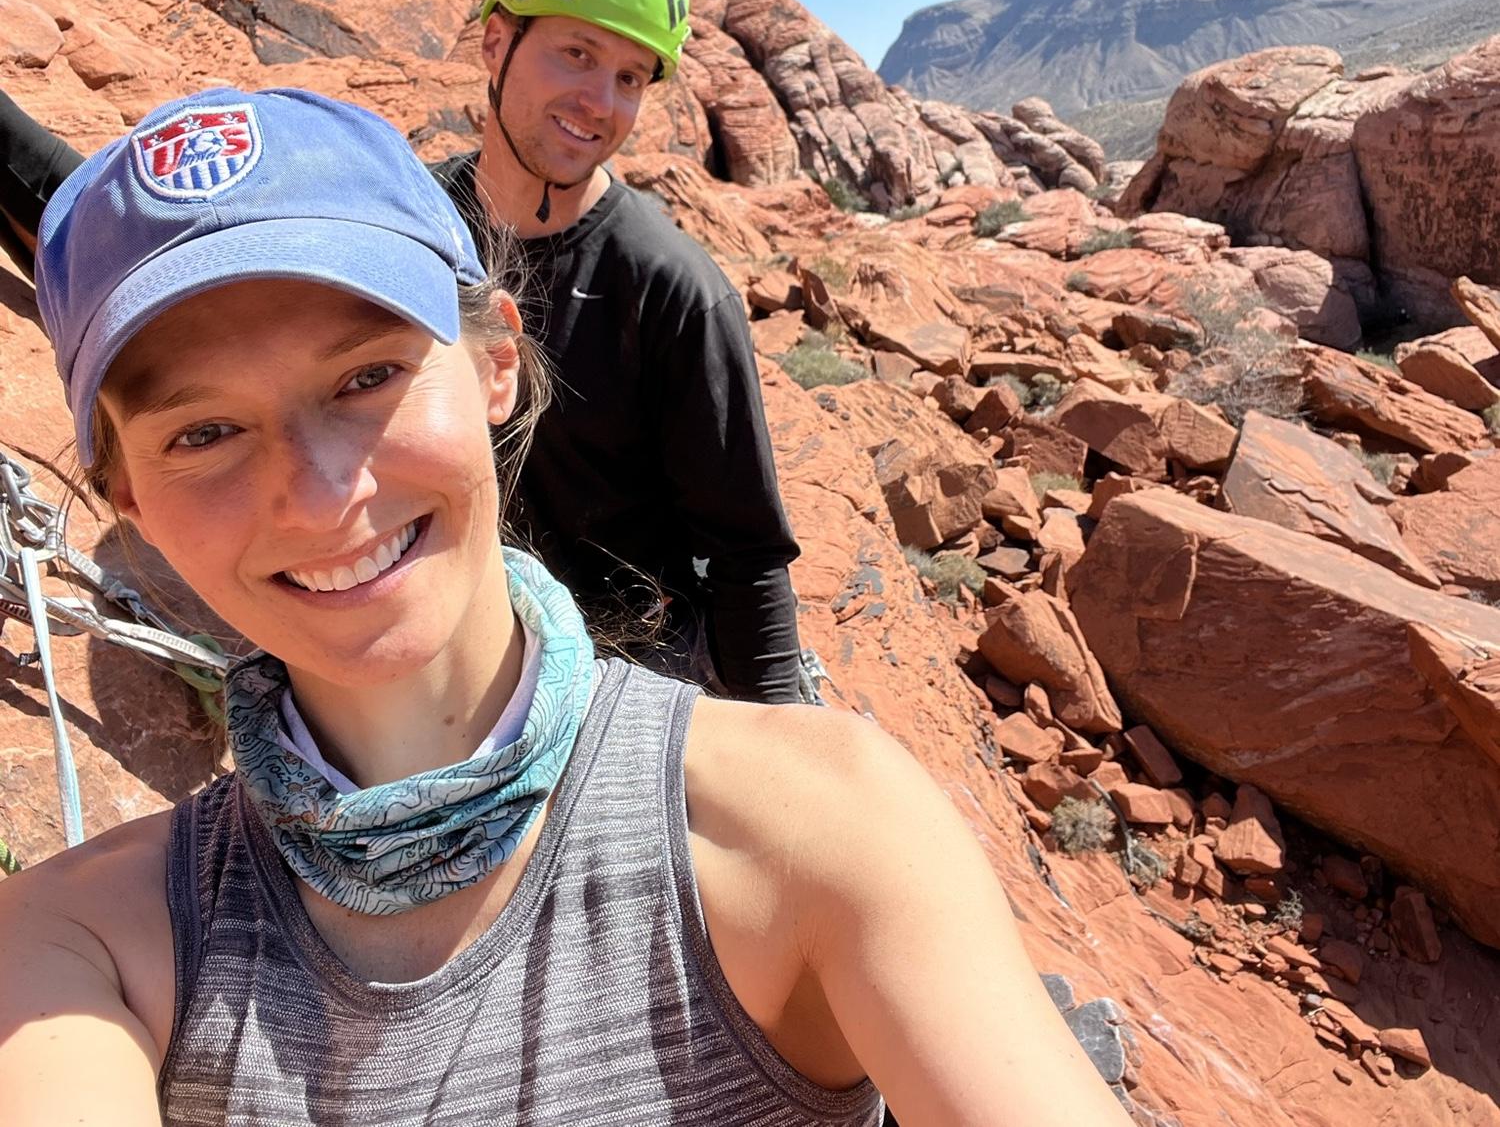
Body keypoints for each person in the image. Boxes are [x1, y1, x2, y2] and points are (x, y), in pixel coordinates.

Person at [0, 89, 1129, 1127]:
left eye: (366, 377)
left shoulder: (815, 831)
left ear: (496, 360)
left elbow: (744, 542)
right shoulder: (78, 952)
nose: (317, 492)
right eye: (203, 434)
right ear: (130, 501)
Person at [0, 0, 803, 704]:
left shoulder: (669, 286)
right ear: (497, 43)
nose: (601, 100)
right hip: (427, 634)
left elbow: (746, 556)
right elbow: (187, 264)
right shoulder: (408, 218)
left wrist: (781, 748)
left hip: (617, 675)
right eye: (577, 54)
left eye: (630, 77)